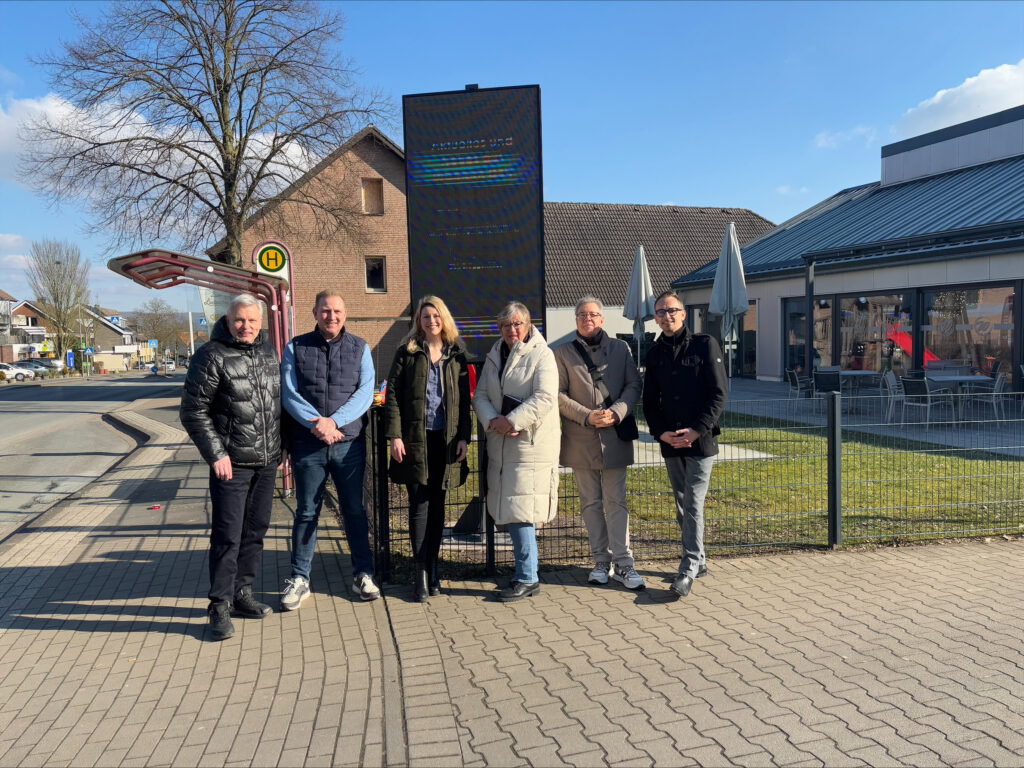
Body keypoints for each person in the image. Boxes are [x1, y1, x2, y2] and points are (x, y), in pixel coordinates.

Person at [180, 293, 282, 641]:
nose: (246, 326)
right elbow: (193, 411)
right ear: (228, 319)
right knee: (228, 535)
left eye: (252, 321)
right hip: (232, 464)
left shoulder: (268, 353)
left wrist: (281, 448)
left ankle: (242, 593)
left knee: (255, 531)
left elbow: (276, 403)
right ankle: (219, 605)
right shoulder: (211, 356)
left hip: (266, 461)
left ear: (261, 323)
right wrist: (216, 454)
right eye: (240, 320)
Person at [280, 289, 378, 609]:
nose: (331, 316)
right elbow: (289, 393)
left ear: (345, 315)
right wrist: (317, 424)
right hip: (308, 445)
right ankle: (300, 578)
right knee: (307, 512)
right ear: (315, 313)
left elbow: (365, 393)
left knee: (354, 511)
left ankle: (363, 574)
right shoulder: (295, 347)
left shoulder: (360, 348)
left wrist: (334, 422)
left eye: (337, 311)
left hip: (348, 445)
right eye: (325, 311)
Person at [384, 296, 472, 601]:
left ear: (444, 319)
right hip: (414, 441)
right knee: (419, 506)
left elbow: (464, 401)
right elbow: (392, 395)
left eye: (435, 316)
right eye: (425, 317)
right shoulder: (407, 352)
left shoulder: (456, 354)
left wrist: (464, 437)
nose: (431, 321)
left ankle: (434, 569)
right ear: (418, 322)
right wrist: (395, 436)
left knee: (438, 507)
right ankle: (420, 573)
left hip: (445, 442)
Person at [553, 296, 644, 590]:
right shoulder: (562, 352)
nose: (587, 319)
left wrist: (617, 412)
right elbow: (557, 394)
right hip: (581, 439)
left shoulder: (620, 348)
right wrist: (587, 416)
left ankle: (624, 563)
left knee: (616, 501)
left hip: (615, 436)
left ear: (602, 319)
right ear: (576, 320)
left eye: (592, 314)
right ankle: (600, 561)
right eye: (582, 315)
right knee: (590, 503)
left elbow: (634, 384)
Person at [642, 290, 727, 599]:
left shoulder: (705, 345)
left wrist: (697, 430)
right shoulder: (654, 353)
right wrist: (661, 433)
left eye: (672, 310)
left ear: (683, 313)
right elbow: (649, 401)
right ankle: (700, 560)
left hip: (700, 440)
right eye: (661, 312)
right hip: (671, 441)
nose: (667, 316)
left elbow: (718, 393)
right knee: (681, 502)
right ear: (655, 318)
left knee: (692, 503)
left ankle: (688, 568)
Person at [474, 302, 560, 602]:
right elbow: (480, 395)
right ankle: (525, 573)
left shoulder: (542, 354)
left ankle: (527, 578)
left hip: (528, 447)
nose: (512, 330)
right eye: (506, 325)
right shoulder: (494, 354)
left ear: (528, 324)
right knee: (513, 510)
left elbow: (545, 398)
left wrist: (512, 421)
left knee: (522, 511)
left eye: (517, 324)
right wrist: (492, 421)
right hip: (501, 443)